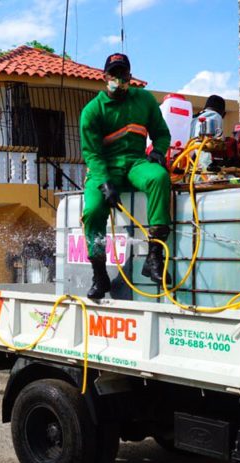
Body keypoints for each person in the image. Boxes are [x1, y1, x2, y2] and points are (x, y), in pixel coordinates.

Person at [80, 53, 172, 299]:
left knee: (159, 178)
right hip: (105, 168)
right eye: (114, 75)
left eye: (123, 75)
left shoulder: (144, 100)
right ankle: (99, 274)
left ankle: (154, 258)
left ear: (130, 77)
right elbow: (91, 154)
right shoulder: (92, 111)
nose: (118, 81)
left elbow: (162, 133)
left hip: (135, 163)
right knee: (93, 210)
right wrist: (103, 182)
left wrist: (159, 153)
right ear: (104, 78)